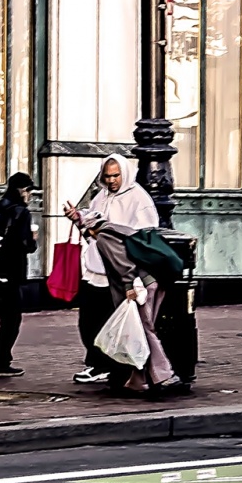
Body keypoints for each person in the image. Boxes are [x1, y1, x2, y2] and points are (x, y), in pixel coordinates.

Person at [66, 154, 159, 384]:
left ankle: (110, 367)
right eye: (107, 176)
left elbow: (144, 236)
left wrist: (132, 277)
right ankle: (98, 364)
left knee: (114, 322)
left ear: (124, 173)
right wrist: (78, 219)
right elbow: (93, 236)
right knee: (88, 322)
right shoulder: (101, 197)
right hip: (95, 269)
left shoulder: (138, 198)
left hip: (118, 273)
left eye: (116, 175)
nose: (111, 181)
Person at [74, 212, 180, 393]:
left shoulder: (103, 238)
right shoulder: (115, 229)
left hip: (140, 287)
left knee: (144, 329)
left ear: (92, 229)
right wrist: (78, 220)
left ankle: (165, 374)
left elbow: (123, 264)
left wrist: (129, 286)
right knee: (139, 331)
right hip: (152, 281)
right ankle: (137, 380)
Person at [0, 172, 37, 378]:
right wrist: (33, 238)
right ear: (23, 191)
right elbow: (26, 244)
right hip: (10, 274)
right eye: (29, 191)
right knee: (11, 320)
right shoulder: (21, 212)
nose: (30, 196)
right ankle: (1, 362)